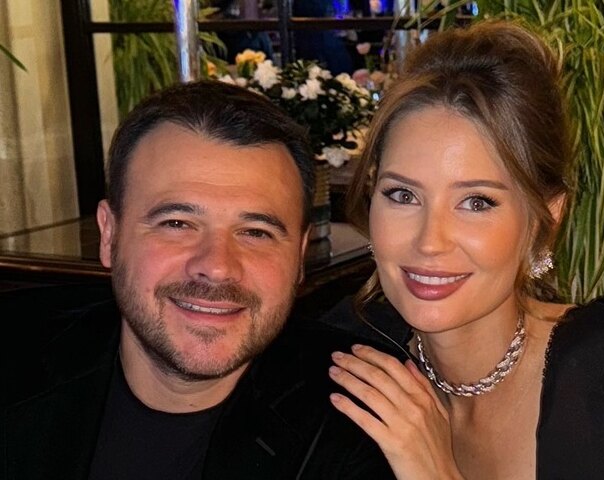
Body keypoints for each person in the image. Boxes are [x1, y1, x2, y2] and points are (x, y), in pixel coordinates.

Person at [323, 20, 604, 479]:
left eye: (477, 202)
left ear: (544, 220)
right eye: (403, 195)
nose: (430, 241)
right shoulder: (349, 364)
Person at [0, 81, 396, 479]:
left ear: (300, 255)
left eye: (255, 232)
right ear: (109, 235)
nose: (217, 266)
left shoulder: (365, 423)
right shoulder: (14, 357)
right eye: (177, 224)